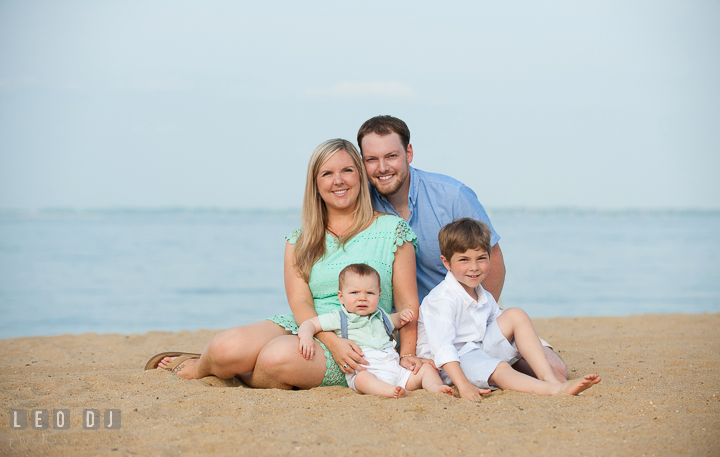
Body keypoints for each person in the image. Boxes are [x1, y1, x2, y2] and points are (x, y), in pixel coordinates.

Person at [145, 139, 425, 388]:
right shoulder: (299, 240)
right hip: (308, 326)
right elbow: (301, 304)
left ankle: (239, 372)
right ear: (315, 184)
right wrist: (330, 340)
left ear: (360, 176)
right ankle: (201, 367)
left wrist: (408, 354)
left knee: (275, 358)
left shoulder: (392, 230)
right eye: (327, 173)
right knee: (223, 347)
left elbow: (407, 306)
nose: (338, 180)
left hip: (361, 341)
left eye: (347, 170)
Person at [356, 115, 568, 380]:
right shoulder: (361, 202)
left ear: (408, 153)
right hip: (416, 327)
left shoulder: (452, 195)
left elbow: (493, 259)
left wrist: (476, 325)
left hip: (469, 312)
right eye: (371, 159)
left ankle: (490, 357)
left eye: (391, 156)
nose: (382, 167)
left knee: (557, 371)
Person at [417, 218, 601, 401]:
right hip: (451, 365)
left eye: (481, 258)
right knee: (501, 369)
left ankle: (551, 380)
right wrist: (464, 385)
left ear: (489, 256)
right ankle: (552, 390)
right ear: (446, 262)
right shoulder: (441, 299)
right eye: (464, 260)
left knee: (515, 315)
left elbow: (502, 329)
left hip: (477, 348)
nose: (474, 267)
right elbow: (443, 349)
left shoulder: (482, 294)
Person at [298, 263, 454, 398]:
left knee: (426, 369)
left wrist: (402, 317)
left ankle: (434, 387)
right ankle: (390, 391)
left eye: (369, 293)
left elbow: (394, 322)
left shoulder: (380, 315)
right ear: (341, 297)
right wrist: (306, 336)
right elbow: (310, 323)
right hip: (369, 370)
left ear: (378, 296)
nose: (362, 298)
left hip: (396, 370)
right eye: (354, 293)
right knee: (361, 380)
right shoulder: (340, 317)